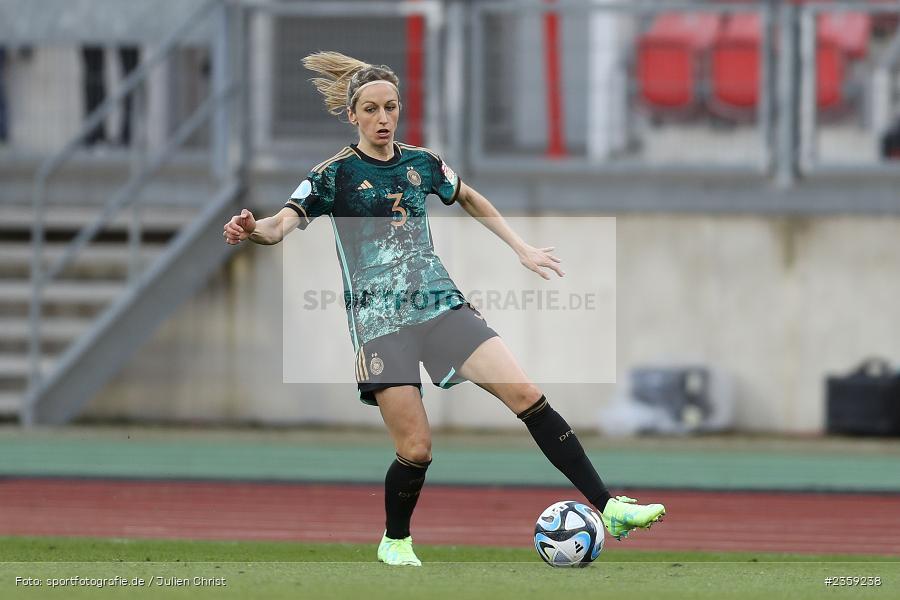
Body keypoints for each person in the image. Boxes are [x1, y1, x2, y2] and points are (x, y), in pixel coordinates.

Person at [223, 51, 665, 566]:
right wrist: (253, 229)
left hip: (439, 305)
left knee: (525, 392)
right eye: (371, 109)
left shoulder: (422, 164)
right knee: (416, 448)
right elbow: (279, 226)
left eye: (391, 107)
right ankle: (396, 540)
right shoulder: (331, 175)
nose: (383, 119)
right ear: (353, 116)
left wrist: (520, 246)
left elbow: (470, 197)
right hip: (380, 322)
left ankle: (609, 506)